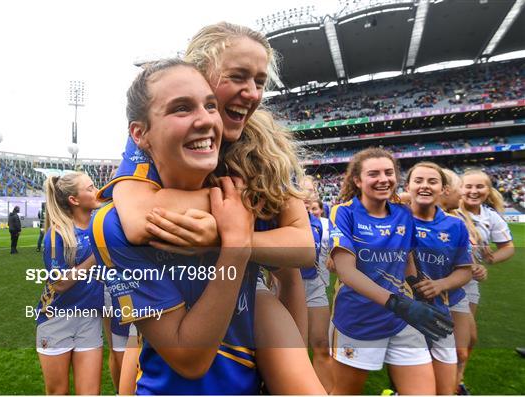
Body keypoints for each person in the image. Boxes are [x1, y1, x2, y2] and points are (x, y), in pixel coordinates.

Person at [102, 22, 323, 394]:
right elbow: (138, 221)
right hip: (176, 310)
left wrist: (230, 237)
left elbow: (302, 250)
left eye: (260, 81)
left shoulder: (266, 151)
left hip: (255, 304)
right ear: (199, 73)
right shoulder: (146, 142)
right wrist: (231, 220)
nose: (251, 93)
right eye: (237, 77)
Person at [89, 59, 261, 394]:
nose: (206, 120)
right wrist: (236, 247)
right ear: (140, 135)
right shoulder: (113, 226)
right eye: (182, 109)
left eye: (211, 105)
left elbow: (298, 258)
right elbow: (190, 360)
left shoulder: (246, 193)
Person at [328, 148, 452, 395]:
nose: (383, 179)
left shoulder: (403, 214)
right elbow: (346, 272)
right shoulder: (344, 212)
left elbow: (406, 261)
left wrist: (423, 296)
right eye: (373, 174)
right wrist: (401, 305)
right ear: (357, 180)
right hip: (358, 320)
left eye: (389, 172)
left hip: (401, 319)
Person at [405, 162, 473, 395]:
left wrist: (440, 284)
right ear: (408, 186)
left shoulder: (455, 226)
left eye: (432, 182)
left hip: (439, 313)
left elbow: (465, 270)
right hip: (403, 316)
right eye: (418, 181)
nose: (425, 186)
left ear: (443, 189)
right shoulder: (394, 219)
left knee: (445, 388)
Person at [35, 173, 104, 395]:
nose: (97, 190)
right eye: (91, 187)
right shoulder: (57, 234)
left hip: (89, 319)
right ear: (74, 200)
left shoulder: (101, 226)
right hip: (56, 319)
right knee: (58, 392)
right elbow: (61, 283)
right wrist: (97, 255)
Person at [456, 168, 515, 394]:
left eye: (479, 186)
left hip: (469, 283)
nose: (473, 191)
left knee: (468, 338)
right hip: (441, 279)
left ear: (488, 190)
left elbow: (507, 248)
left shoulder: (490, 216)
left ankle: (457, 381)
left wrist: (488, 261)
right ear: (459, 188)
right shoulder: (449, 209)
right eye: (468, 186)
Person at [440, 168, 487, 394]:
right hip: (439, 293)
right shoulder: (418, 216)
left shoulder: (456, 219)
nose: (463, 193)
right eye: (460, 187)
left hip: (457, 290)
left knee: (465, 343)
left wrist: (471, 266)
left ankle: (455, 385)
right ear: (446, 190)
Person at [300, 176, 333, 392]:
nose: (304, 195)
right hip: (282, 292)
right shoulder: (274, 220)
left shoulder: (324, 224)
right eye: (298, 190)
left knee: (321, 345)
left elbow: (341, 249)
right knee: (294, 350)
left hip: (314, 288)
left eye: (309, 191)